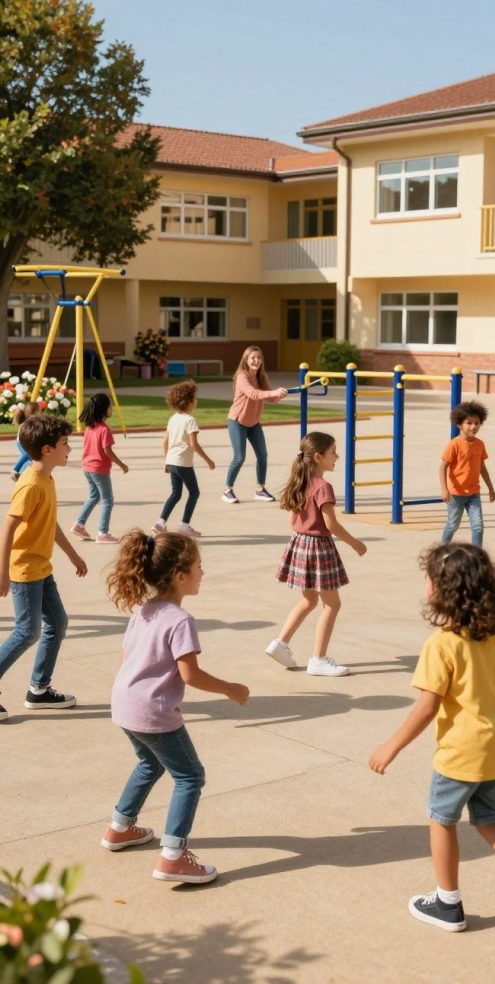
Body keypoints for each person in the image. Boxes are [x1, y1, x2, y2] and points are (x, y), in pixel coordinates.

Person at [369, 543, 495, 946]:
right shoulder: (494, 638)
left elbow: (427, 707)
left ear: (442, 590)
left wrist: (391, 746)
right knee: (490, 818)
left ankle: (447, 903)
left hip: (462, 751)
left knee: (441, 819)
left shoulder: (442, 644)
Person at [101, 529, 249, 883]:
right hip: (153, 711)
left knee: (148, 763)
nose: (203, 572)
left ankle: (119, 827)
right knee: (190, 776)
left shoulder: (144, 610)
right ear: (180, 577)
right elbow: (190, 675)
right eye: (199, 566)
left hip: (124, 704)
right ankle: (173, 856)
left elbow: (126, 656)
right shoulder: (181, 621)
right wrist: (231, 689)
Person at [0, 415, 88, 722]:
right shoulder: (31, 484)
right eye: (65, 444)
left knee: (57, 623)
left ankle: (39, 689)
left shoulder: (47, 478)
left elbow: (50, 525)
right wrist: (2, 573)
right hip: (24, 569)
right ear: (47, 449)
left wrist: (73, 556)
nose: (70, 449)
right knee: (27, 631)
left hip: (41, 567)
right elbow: (7, 528)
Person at [265, 432, 367, 677]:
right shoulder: (323, 487)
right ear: (319, 457)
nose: (337, 457)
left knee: (309, 600)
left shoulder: (300, 480)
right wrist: (355, 543)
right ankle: (318, 659)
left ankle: (280, 644)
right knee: (332, 604)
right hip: (319, 548)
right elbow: (331, 525)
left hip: (300, 544)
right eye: (333, 453)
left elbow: (292, 520)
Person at [222, 345, 288, 504]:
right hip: (237, 421)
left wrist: (279, 395)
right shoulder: (241, 376)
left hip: (253, 422)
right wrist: (273, 393)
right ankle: (227, 490)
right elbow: (253, 393)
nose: (256, 361)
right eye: (253, 357)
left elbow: (269, 397)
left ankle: (260, 489)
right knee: (239, 457)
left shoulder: (261, 376)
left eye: (259, 358)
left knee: (262, 456)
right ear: (246, 359)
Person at [151, 380, 215, 538]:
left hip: (172, 461)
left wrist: (166, 461)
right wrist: (208, 460)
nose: (196, 401)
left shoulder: (173, 419)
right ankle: (185, 525)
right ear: (188, 402)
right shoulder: (190, 420)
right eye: (194, 398)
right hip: (183, 463)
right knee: (194, 493)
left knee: (176, 493)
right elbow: (194, 444)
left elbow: (165, 441)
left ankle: (160, 523)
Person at [70, 393, 128, 544]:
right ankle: (103, 533)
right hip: (99, 469)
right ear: (104, 409)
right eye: (110, 406)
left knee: (94, 496)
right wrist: (121, 464)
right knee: (108, 500)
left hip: (87, 468)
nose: (111, 409)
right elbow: (107, 451)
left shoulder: (90, 427)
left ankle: (79, 524)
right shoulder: (104, 429)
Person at [439, 400, 495, 547]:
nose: (473, 426)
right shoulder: (454, 444)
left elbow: (482, 467)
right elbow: (443, 467)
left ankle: (477, 557)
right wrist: (444, 489)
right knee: (452, 526)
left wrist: (490, 487)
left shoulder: (480, 444)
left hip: (473, 493)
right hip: (456, 494)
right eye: (469, 423)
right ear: (459, 424)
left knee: (478, 527)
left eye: (477, 423)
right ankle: (442, 551)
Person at [10, 401, 41, 481]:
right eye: (39, 410)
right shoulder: (29, 422)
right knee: (29, 454)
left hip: (25, 442)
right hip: (22, 442)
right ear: (35, 412)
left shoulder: (31, 421)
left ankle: (21, 473)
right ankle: (15, 470)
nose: (40, 413)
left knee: (31, 458)